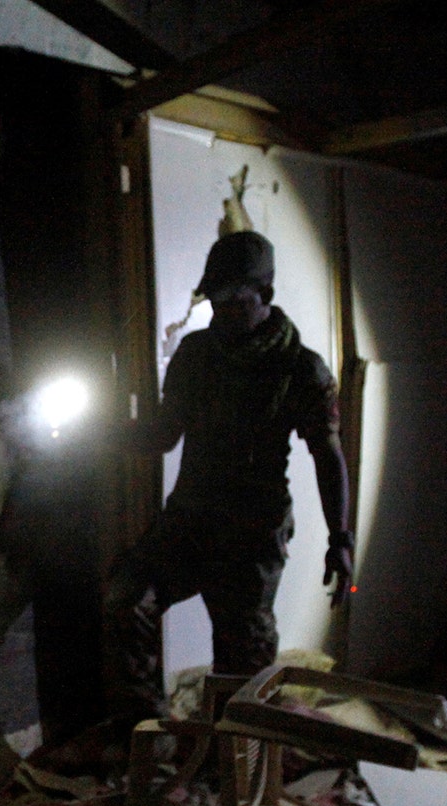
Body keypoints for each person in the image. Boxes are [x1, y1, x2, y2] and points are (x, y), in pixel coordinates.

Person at [105, 230, 354, 725]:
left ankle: (227, 769)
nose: (221, 309)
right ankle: (149, 740)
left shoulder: (299, 369)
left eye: (234, 297)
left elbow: (328, 457)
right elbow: (162, 435)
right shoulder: (197, 355)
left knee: (243, 666)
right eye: (214, 297)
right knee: (125, 600)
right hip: (190, 520)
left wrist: (340, 538)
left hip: (251, 532)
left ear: (264, 295)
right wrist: (96, 432)